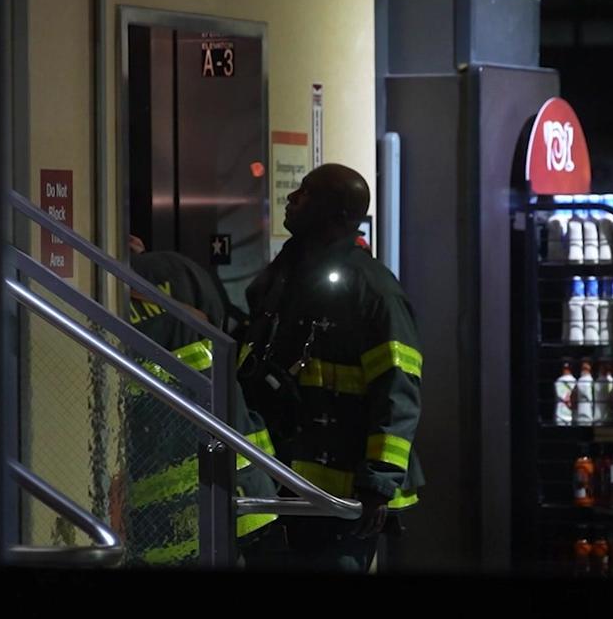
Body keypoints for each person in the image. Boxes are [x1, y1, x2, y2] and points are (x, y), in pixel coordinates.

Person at [237, 163, 424, 572]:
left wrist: (378, 482)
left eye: (305, 193)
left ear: (337, 214)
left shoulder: (375, 291)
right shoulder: (285, 275)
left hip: (344, 497)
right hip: (284, 483)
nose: (291, 198)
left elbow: (398, 390)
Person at [108, 235, 279, 567]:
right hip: (235, 475)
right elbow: (220, 327)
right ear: (134, 242)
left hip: (161, 503)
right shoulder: (183, 269)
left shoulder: (105, 287)